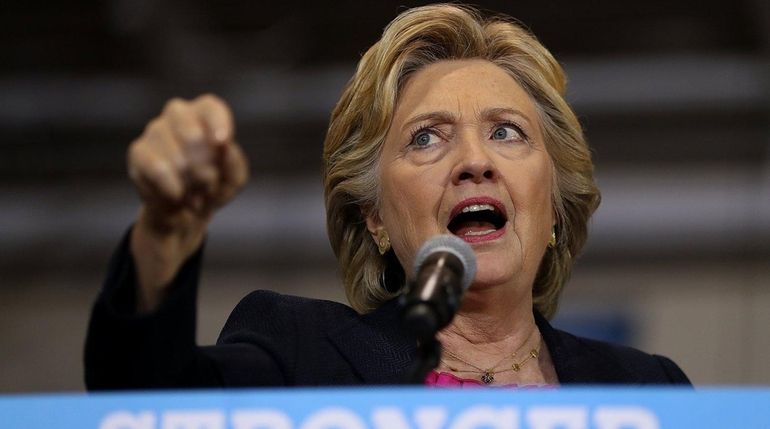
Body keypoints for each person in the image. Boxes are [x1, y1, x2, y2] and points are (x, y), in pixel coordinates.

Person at [85, 3, 690, 389]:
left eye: (506, 132)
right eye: (427, 138)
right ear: (374, 216)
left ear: (555, 203)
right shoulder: (301, 355)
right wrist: (164, 237)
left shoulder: (646, 389)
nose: (474, 162)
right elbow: (147, 396)